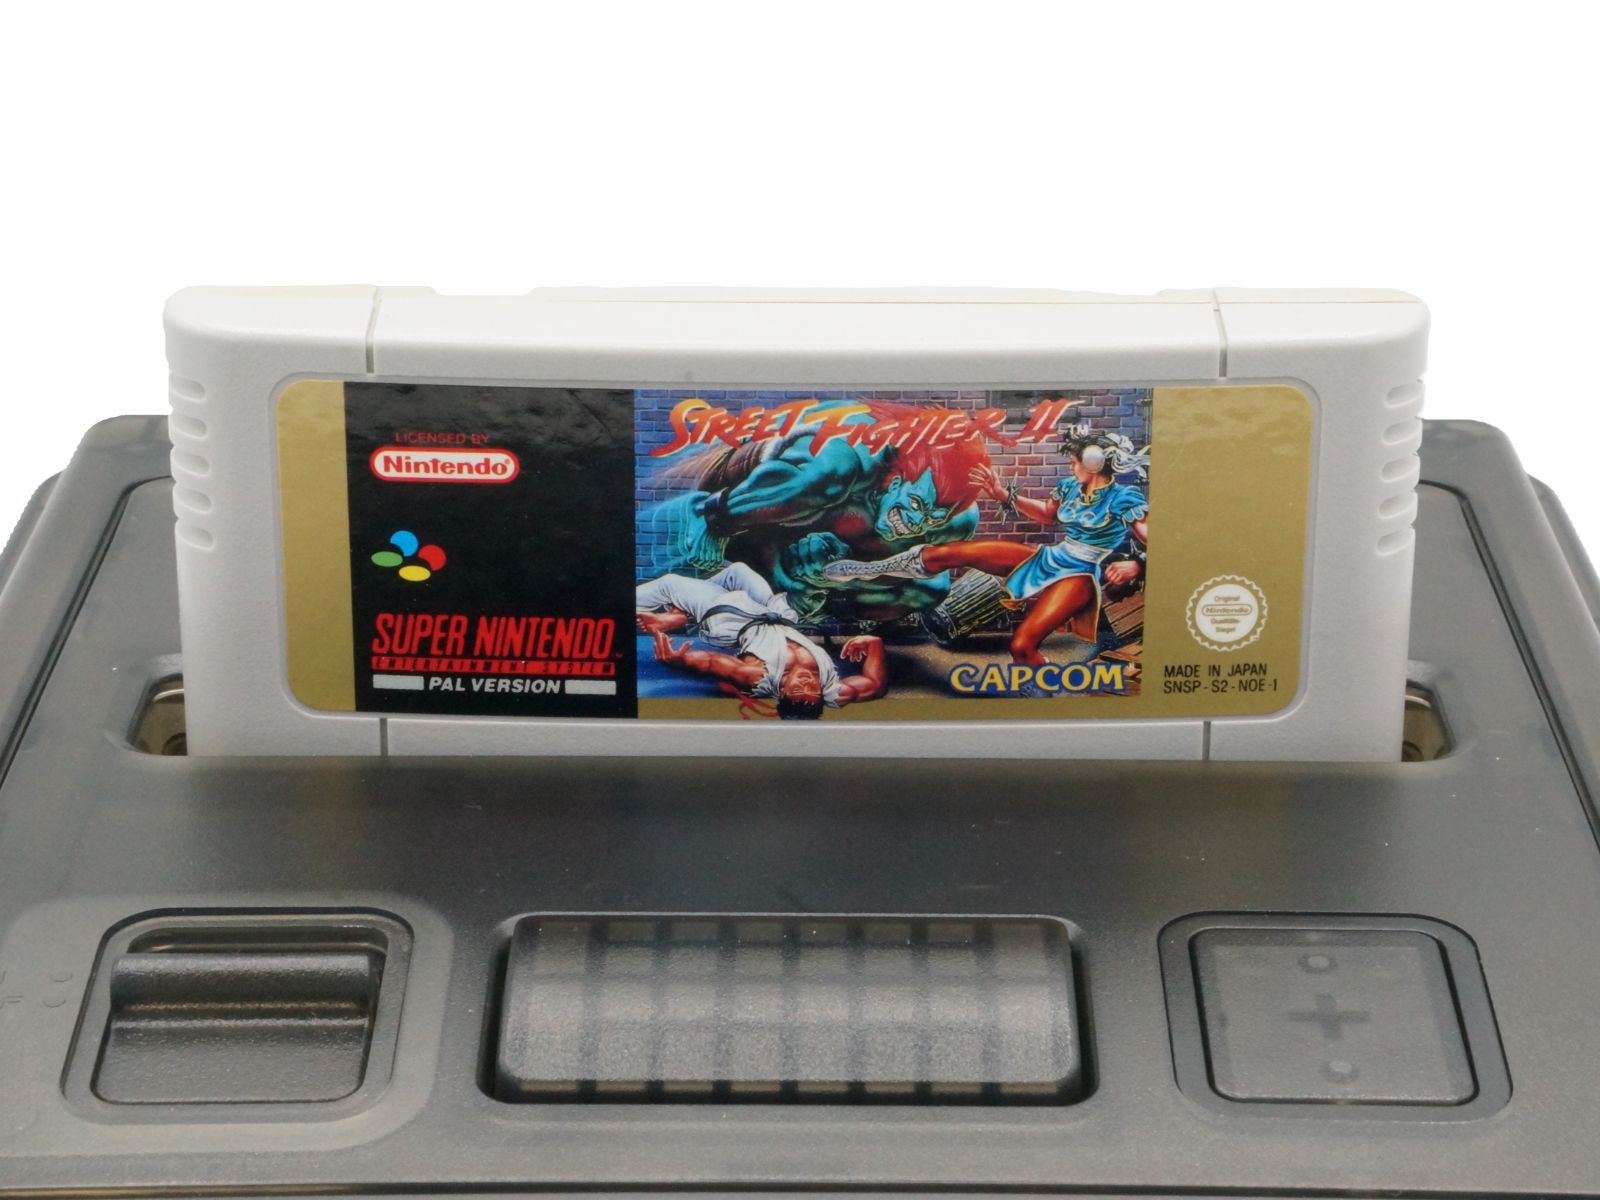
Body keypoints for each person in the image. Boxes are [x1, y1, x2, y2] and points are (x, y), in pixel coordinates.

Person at [824, 430, 1149, 667]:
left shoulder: (1125, 498)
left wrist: (1138, 563)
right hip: (1052, 557)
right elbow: (1047, 515)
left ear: (1094, 463)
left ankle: (1044, 689)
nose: (1071, 467)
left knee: (1021, 646)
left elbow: (1157, 541)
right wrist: (1003, 495)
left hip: (1079, 574)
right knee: (951, 552)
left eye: (1075, 462)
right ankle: (871, 570)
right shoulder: (1069, 488)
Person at [635, 562, 888, 718]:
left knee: (670, 584)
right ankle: (680, 613)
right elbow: (874, 684)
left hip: (734, 619)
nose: (807, 682)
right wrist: (874, 644)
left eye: (797, 689)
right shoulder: (831, 690)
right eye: (813, 689)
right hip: (772, 612)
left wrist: (680, 661)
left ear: (781, 692)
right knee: (737, 572)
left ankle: (624, 605)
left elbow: (712, 663)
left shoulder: (758, 676)